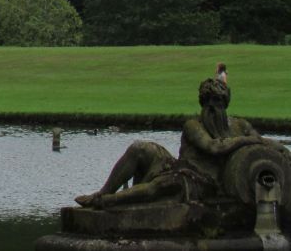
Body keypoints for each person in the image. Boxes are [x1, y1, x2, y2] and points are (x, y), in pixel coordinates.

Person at [75, 76, 276, 209]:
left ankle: (107, 202)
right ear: (202, 104)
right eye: (208, 103)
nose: (212, 109)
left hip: (202, 182)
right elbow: (212, 147)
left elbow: (263, 144)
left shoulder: (240, 125)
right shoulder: (193, 125)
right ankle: (101, 193)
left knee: (158, 187)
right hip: (182, 168)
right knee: (140, 149)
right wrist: (248, 140)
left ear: (226, 104)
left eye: (217, 103)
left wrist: (283, 152)